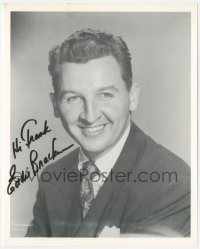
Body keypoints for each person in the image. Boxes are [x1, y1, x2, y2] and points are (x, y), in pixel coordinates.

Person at [26, 29, 190, 237]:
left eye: (105, 94)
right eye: (73, 98)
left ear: (132, 97)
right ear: (55, 105)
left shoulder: (173, 184)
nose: (90, 115)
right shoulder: (52, 178)